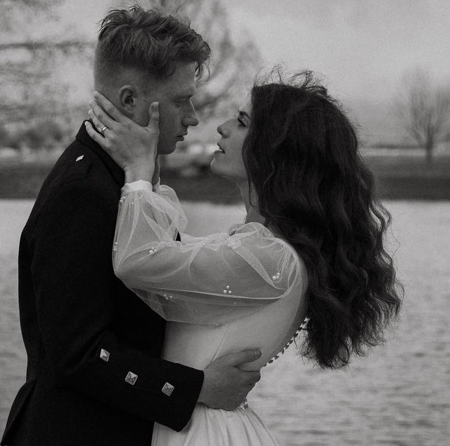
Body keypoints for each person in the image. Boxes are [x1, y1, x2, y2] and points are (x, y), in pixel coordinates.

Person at [85, 69, 403, 445]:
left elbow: (138, 261)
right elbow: (170, 257)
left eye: (241, 122)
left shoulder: (271, 260)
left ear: (276, 150)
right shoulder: (262, 249)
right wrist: (150, 177)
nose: (221, 128)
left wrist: (138, 174)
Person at [0, 6, 263, 446]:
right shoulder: (83, 191)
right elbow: (78, 354)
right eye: (180, 101)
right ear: (129, 101)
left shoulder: (122, 181)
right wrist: (196, 388)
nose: (193, 117)